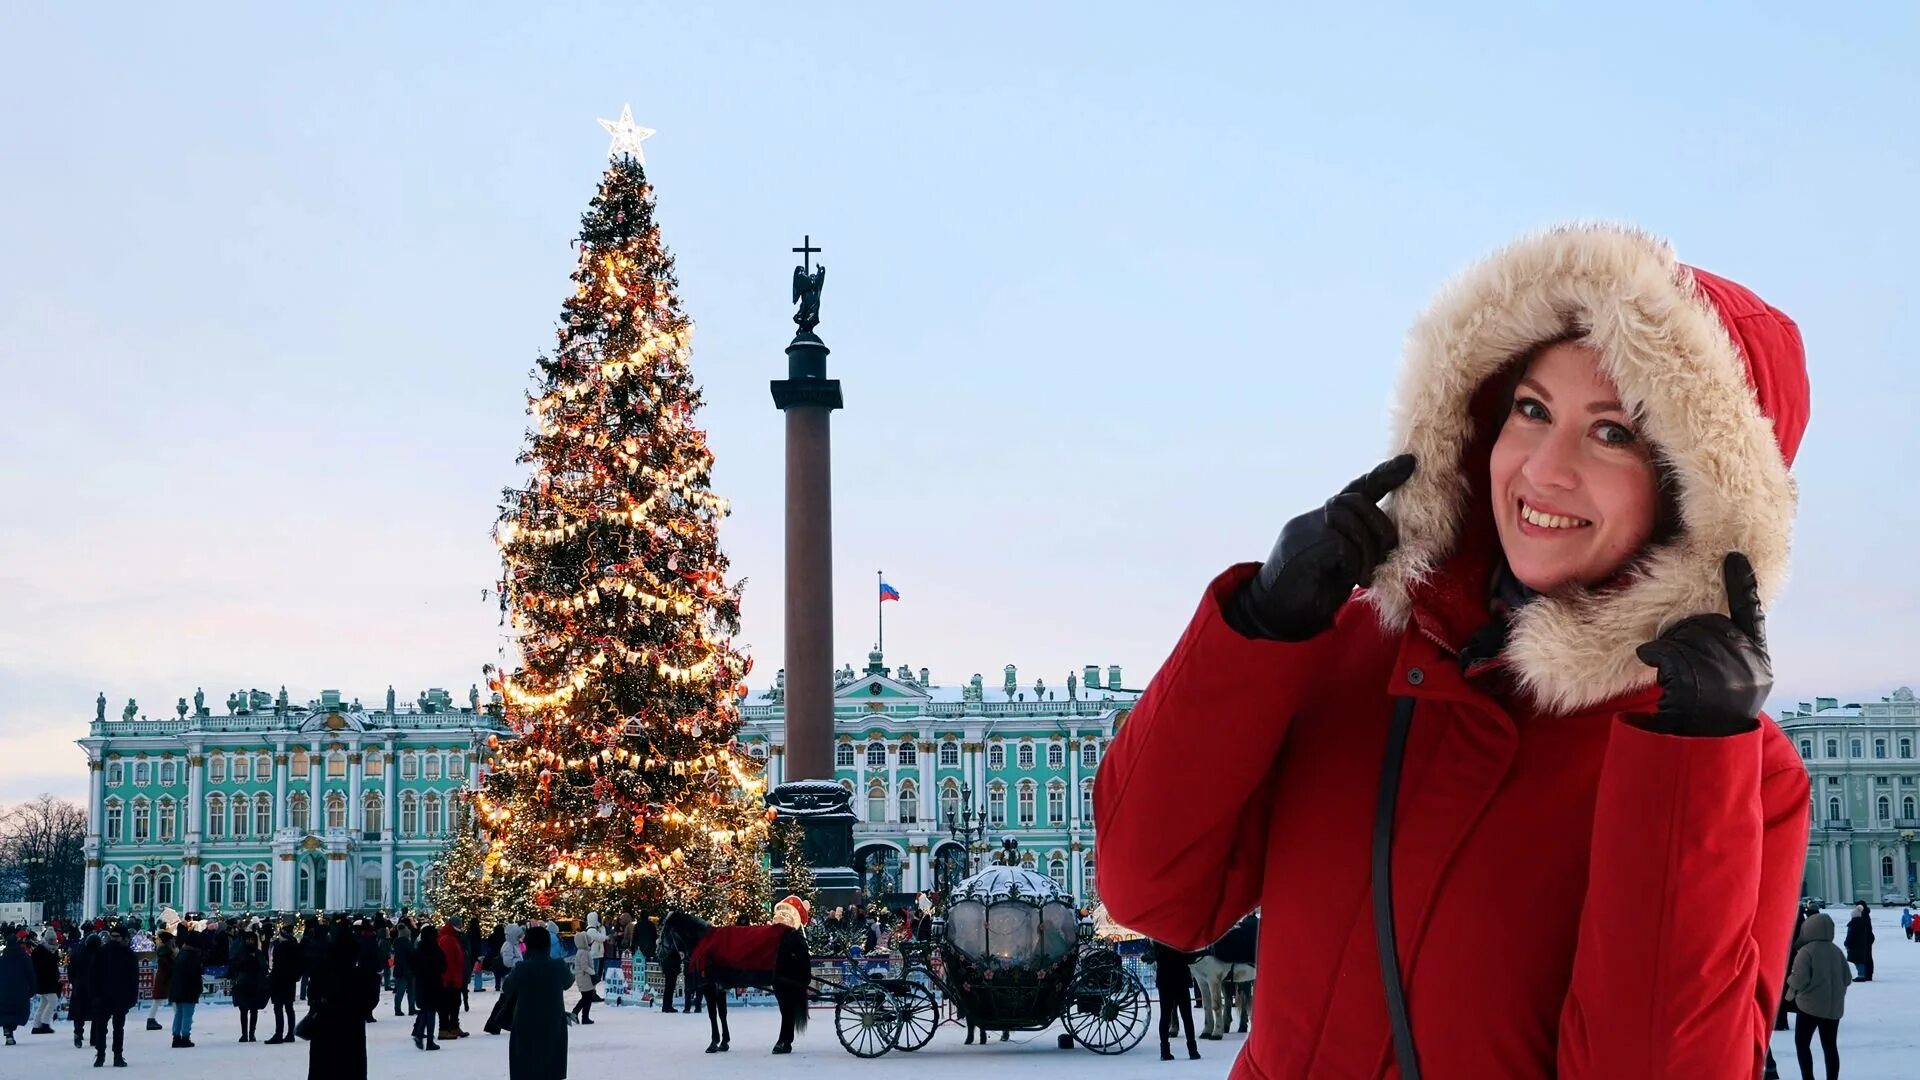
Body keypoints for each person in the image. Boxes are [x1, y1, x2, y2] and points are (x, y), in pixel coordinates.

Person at [1096, 225, 1811, 1078]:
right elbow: (1152, 890)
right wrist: (1258, 628)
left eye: (1614, 432)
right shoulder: (1352, 654)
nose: (1544, 470)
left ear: (1699, 490)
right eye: (1532, 410)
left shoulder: (1741, 775)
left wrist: (1688, 769)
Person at [492, 923, 571, 1080]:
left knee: (526, 1067)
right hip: (553, 1024)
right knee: (551, 1068)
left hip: (526, 1024)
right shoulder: (558, 966)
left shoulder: (522, 967)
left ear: (527, 945)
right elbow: (568, 982)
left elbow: (507, 987)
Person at [1785, 911, 1849, 1080]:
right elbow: (1847, 978)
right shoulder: (1837, 951)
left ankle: (1808, 1078)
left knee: (1802, 1044)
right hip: (1833, 1008)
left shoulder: (1806, 951)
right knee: (1830, 1046)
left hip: (1809, 1007)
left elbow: (1799, 980)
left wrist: (1790, 986)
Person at [307, 926, 376, 1080]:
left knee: (324, 1069)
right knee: (350, 1069)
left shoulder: (322, 970)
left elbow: (311, 995)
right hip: (351, 1033)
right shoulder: (357, 975)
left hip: (324, 1030)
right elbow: (370, 1000)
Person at [90, 924, 138, 1067]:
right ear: (124, 938)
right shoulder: (128, 955)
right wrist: (132, 998)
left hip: (102, 997)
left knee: (101, 1027)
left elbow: (92, 976)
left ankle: (100, 1055)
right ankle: (117, 1056)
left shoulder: (101, 952)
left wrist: (94, 995)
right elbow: (133, 979)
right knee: (118, 1028)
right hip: (120, 997)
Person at [1149, 940, 1201, 1061]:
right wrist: (1201, 952)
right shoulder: (1179, 940)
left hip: (1165, 982)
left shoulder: (1158, 941)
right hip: (1180, 980)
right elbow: (1188, 958)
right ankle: (1192, 1050)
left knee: (1165, 1016)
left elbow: (1155, 957)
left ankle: (1165, 1051)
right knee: (1187, 1017)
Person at [409, 923, 445, 1051]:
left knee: (424, 1010)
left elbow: (412, 965)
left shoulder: (418, 950)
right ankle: (429, 1040)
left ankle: (419, 1034)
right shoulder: (436, 950)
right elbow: (443, 966)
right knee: (431, 1011)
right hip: (434, 983)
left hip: (421, 983)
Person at [569, 912, 608, 1024]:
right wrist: (593, 973)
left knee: (586, 998)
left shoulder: (582, 951)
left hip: (584, 978)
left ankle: (577, 1014)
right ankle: (581, 1016)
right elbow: (585, 966)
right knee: (587, 998)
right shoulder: (583, 952)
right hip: (585, 978)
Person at [229, 931, 268, 1042]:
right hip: (243, 984)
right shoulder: (240, 953)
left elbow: (264, 968)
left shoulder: (258, 953)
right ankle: (244, 1034)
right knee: (243, 1010)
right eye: (248, 940)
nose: (250, 942)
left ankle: (252, 1033)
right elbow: (234, 966)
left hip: (256, 984)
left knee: (254, 1010)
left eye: (252, 940)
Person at [267, 923, 302, 1044]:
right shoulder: (294, 944)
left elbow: (277, 963)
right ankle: (290, 1034)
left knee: (278, 1007)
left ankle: (279, 1033)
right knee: (288, 1007)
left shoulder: (280, 945)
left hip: (279, 980)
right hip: (289, 980)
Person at [168, 934, 203, 1048]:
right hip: (189, 989)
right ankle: (185, 1037)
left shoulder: (181, 954)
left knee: (179, 1013)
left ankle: (176, 1037)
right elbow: (194, 975)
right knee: (187, 1014)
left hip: (178, 988)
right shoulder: (192, 956)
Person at [68, 926, 99, 1049]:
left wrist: (74, 982)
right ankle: (94, 1037)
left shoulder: (77, 954)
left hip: (80, 987)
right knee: (96, 1013)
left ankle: (78, 1033)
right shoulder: (99, 956)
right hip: (95, 988)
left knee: (79, 1012)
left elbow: (71, 971)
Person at [0, 931, 34, 1046]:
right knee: (17, 1013)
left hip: (4, 990)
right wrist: (33, 988)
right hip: (20, 991)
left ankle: (8, 1030)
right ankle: (10, 1030)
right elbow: (30, 974)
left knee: (5, 1012)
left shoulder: (2, 959)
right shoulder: (24, 958)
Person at [437, 918, 468, 1038]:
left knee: (455, 1003)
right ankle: (444, 1029)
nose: (461, 927)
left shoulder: (452, 937)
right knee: (447, 1005)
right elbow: (448, 961)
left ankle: (454, 1026)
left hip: (454, 977)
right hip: (449, 979)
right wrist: (449, 978)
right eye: (460, 925)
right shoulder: (448, 939)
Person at [31, 928, 62, 1035]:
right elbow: (42, 966)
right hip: (45, 981)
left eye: (55, 940)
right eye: (52, 940)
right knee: (53, 1001)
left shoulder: (51, 950)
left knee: (44, 1003)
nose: (54, 942)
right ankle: (45, 1023)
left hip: (49, 981)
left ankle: (36, 1025)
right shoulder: (41, 951)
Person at [1842, 902, 1874, 982]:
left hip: (1863, 940)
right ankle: (1866, 974)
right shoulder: (1864, 915)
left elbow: (1853, 933)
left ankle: (1863, 975)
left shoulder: (1861, 917)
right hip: (1866, 939)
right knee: (1865, 957)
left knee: (1861, 958)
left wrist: (1847, 943)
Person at [391, 923, 416, 1017]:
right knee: (411, 991)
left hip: (399, 970)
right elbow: (411, 956)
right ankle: (411, 1008)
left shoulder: (396, 942)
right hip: (409, 969)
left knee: (400, 991)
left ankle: (397, 1009)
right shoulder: (408, 944)